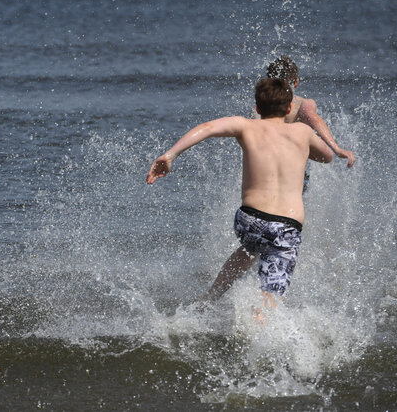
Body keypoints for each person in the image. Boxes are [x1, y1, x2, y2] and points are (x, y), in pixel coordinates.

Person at [146, 78, 333, 315]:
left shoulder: (245, 126)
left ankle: (211, 296)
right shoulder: (303, 132)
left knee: (251, 247)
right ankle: (258, 325)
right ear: (288, 108)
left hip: (248, 221)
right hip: (285, 227)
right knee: (270, 298)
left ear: (257, 108)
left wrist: (170, 155)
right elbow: (327, 156)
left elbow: (206, 128)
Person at [267, 55, 355, 169]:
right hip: (294, 168)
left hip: (266, 163)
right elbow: (312, 117)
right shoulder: (301, 104)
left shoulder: (260, 107)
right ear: (296, 82)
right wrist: (336, 148)